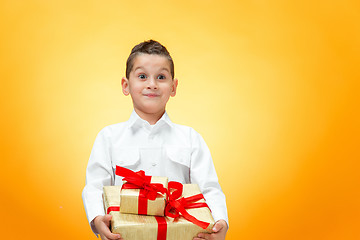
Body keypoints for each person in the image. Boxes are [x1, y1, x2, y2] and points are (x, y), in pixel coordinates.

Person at [82, 40, 229, 240]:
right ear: (126, 85)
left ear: (173, 87)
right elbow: (95, 187)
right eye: (142, 76)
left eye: (161, 77)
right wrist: (98, 219)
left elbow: (209, 188)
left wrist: (221, 222)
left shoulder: (190, 138)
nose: (152, 84)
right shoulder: (108, 137)